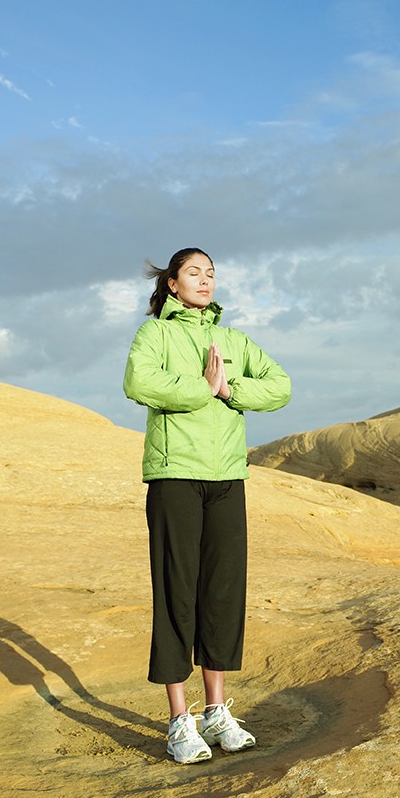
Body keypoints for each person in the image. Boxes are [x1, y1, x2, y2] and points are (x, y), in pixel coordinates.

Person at [123, 247, 291, 764]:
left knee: (220, 594)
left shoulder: (234, 340)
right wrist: (203, 388)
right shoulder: (155, 334)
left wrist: (229, 387)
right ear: (172, 284)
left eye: (211, 273)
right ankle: (180, 721)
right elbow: (138, 382)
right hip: (175, 476)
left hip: (226, 480)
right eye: (194, 272)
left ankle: (217, 712)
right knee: (177, 594)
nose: (204, 280)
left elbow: (280, 387)